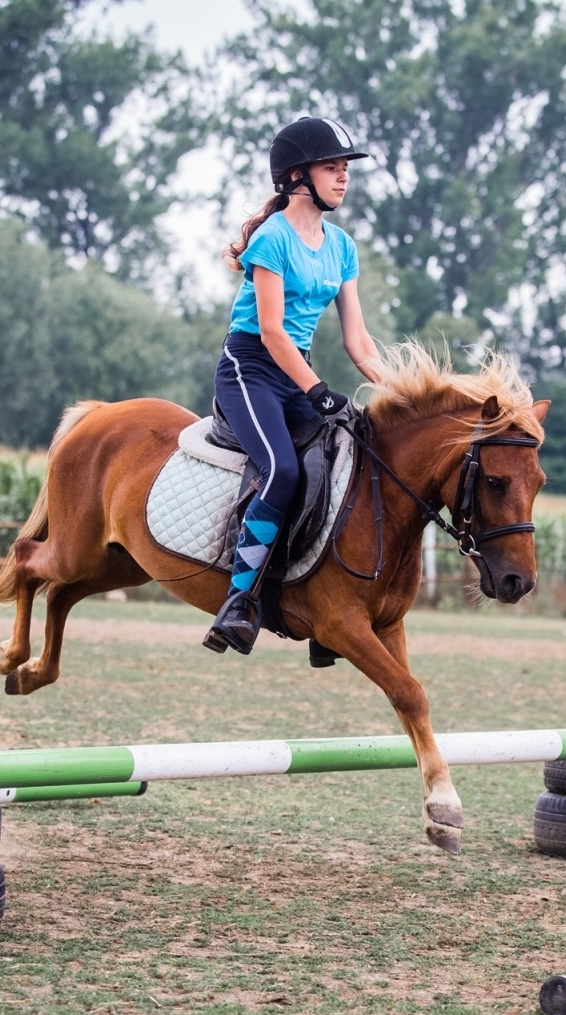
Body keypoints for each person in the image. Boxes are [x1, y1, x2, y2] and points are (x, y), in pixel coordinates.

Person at [204, 117, 384, 655]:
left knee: (347, 460)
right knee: (281, 469)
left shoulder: (342, 246)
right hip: (250, 370)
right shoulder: (273, 238)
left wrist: (402, 391)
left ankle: (322, 600)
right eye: (333, 168)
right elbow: (271, 331)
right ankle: (238, 600)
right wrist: (317, 391)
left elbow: (359, 342)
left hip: (295, 373)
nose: (343, 178)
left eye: (345, 169)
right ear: (297, 176)